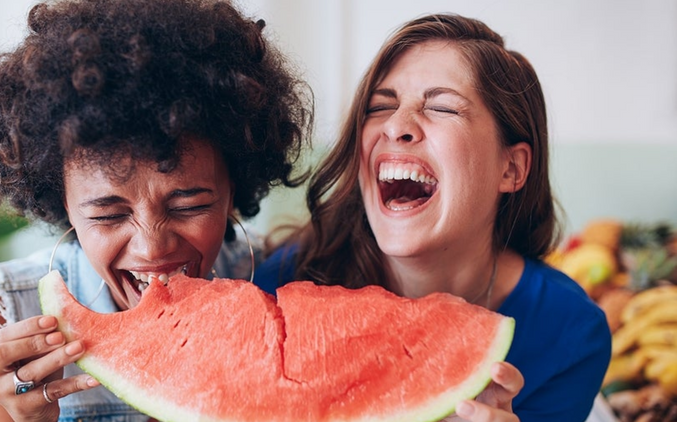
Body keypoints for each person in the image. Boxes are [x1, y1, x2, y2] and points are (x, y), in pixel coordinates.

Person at [0, 0, 312, 420]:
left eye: (189, 205)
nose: (151, 248)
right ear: (63, 203)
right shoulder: (1, 307)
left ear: (232, 191)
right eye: (107, 215)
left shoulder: (275, 288)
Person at [255, 13, 611, 422]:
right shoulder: (286, 285)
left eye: (442, 107)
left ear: (510, 168)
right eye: (380, 107)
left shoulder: (572, 335)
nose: (396, 125)